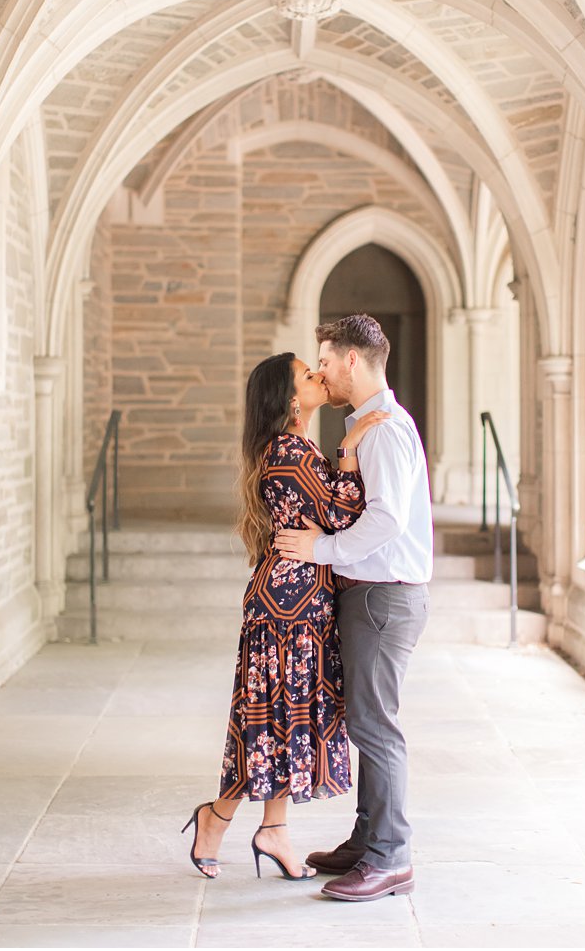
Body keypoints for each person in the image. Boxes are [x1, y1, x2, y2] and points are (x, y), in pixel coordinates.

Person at [183, 352, 387, 881]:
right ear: (292, 399)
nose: (319, 376)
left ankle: (256, 826)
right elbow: (345, 514)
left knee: (276, 718)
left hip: (295, 602)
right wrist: (349, 447)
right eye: (307, 373)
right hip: (287, 610)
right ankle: (232, 821)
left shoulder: (292, 448)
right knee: (273, 718)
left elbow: (329, 523)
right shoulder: (291, 454)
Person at [273, 313, 431, 902]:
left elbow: (386, 519)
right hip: (368, 594)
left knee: (375, 724)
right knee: (366, 719)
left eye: (325, 360)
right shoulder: (366, 426)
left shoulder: (385, 430)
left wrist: (323, 550)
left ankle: (392, 856)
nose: (320, 371)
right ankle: (368, 839)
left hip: (383, 596)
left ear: (352, 362)